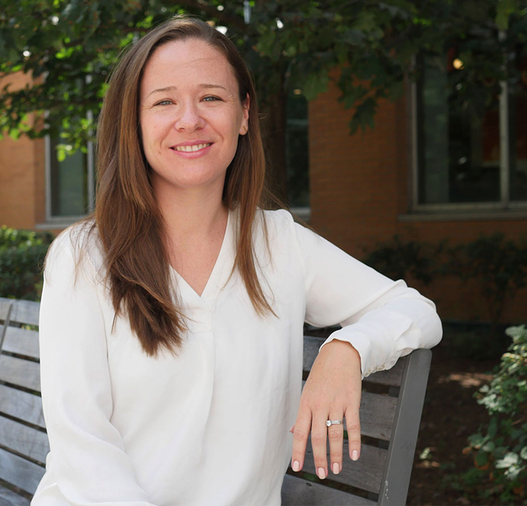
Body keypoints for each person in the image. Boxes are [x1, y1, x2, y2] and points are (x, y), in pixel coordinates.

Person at [33, 16, 442, 506]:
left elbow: (416, 311)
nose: (190, 119)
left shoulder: (278, 244)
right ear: (134, 123)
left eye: (211, 97)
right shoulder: (84, 257)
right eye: (163, 101)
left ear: (244, 114)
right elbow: (84, 448)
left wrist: (348, 348)